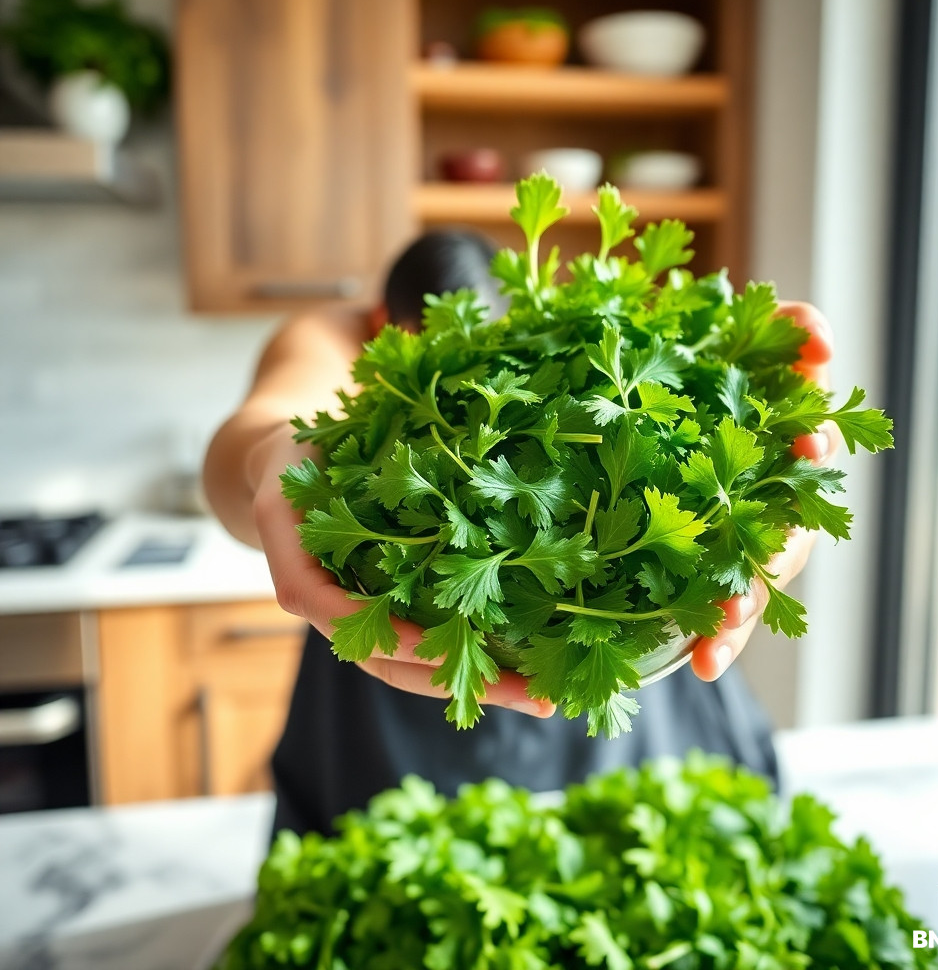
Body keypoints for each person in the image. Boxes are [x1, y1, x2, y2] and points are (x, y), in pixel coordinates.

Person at [203, 229, 839, 838]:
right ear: (384, 329)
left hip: (628, 656)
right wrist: (268, 457)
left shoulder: (575, 337)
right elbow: (259, 431)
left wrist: (767, 484)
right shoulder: (330, 336)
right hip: (394, 678)